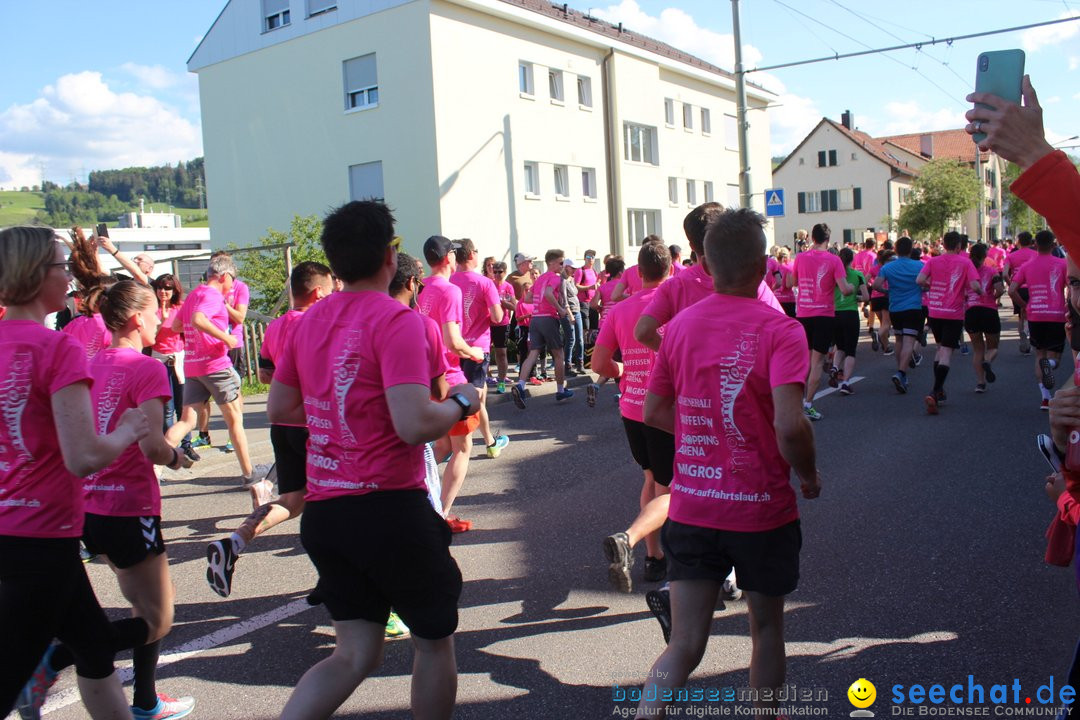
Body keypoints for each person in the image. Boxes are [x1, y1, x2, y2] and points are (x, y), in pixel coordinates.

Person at [268, 200, 479, 720]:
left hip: (327, 512)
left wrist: (336, 419)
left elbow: (280, 409)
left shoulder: (307, 321)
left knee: (354, 654)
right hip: (389, 509)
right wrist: (462, 401)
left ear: (333, 262)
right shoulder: (401, 322)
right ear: (391, 255)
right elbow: (413, 423)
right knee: (433, 643)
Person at [635, 208, 820, 718]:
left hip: (693, 508)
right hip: (761, 509)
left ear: (707, 265)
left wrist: (704, 433)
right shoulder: (783, 330)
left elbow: (654, 410)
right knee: (766, 629)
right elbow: (790, 426)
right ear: (763, 268)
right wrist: (807, 474)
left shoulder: (679, 328)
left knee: (685, 645)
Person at [0, 226, 151, 720]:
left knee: (95, 647)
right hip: (41, 536)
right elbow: (83, 457)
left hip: (23, 533)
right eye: (61, 267)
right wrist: (130, 428)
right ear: (34, 274)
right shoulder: (57, 347)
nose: (68, 278)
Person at [71, 280, 197, 720]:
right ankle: (53, 661)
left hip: (88, 506)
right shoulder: (147, 368)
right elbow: (151, 448)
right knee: (158, 617)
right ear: (135, 319)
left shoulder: (89, 362)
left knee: (141, 605)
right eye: (155, 311)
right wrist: (177, 455)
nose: (163, 318)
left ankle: (145, 701)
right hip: (129, 506)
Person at [204, 262, 335, 599]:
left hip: (281, 423)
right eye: (331, 286)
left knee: (292, 500)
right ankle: (330, 576)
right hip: (314, 421)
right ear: (319, 291)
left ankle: (235, 541)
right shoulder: (320, 323)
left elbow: (264, 376)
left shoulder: (277, 326)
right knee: (327, 502)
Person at [594, 242, 674, 593]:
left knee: (651, 478)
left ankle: (655, 557)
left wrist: (624, 369)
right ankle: (637, 543)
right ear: (671, 271)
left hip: (632, 406)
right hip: (666, 408)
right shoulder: (676, 305)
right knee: (670, 487)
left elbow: (598, 365)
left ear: (638, 274)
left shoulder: (620, 310)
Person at [164, 254, 264, 498]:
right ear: (224, 276)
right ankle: (249, 475)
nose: (232, 286)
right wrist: (225, 337)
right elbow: (199, 319)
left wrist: (197, 336)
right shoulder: (211, 295)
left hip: (193, 366)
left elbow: (177, 326)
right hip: (216, 365)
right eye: (232, 281)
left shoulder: (194, 295)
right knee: (235, 420)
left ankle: (160, 455)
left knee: (187, 420)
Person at [418, 235, 484, 532]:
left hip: (424, 374)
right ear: (448, 259)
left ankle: (419, 499)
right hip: (449, 377)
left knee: (441, 444)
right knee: (463, 448)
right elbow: (453, 341)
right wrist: (476, 352)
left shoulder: (419, 287)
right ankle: (440, 513)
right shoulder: (451, 290)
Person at [449, 238, 509, 458]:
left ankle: (480, 441)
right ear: (472, 254)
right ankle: (487, 443)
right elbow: (497, 316)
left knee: (459, 394)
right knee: (476, 399)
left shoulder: (449, 280)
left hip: (452, 346)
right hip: (476, 347)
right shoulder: (485, 283)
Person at [786, 223, 853, 421]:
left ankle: (795, 404)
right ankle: (808, 405)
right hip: (824, 315)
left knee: (805, 361)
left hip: (804, 314)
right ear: (827, 239)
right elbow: (844, 288)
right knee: (817, 362)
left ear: (812, 238)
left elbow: (792, 283)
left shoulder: (800, 257)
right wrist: (850, 286)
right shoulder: (834, 260)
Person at [917, 231, 981, 414]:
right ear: (959, 246)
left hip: (935, 311)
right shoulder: (965, 262)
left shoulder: (933, 261)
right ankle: (935, 390)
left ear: (943, 245)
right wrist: (981, 291)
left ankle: (939, 390)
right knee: (946, 352)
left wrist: (933, 285)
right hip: (953, 313)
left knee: (940, 349)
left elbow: (919, 280)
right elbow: (975, 286)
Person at [1009, 229, 1068, 410]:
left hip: (1035, 314)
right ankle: (1049, 365)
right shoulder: (1062, 264)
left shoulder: (1027, 266)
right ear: (1053, 245)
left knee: (1039, 353)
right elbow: (1071, 289)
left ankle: (1045, 397)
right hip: (1057, 314)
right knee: (1055, 358)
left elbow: (1011, 290)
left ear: (1036, 244)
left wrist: (1025, 305)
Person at [511, 249, 575, 408]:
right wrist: (559, 308)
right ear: (552, 263)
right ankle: (560, 390)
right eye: (561, 263)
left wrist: (539, 306)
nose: (562, 265)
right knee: (559, 354)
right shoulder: (554, 278)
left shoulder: (539, 279)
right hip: (548, 318)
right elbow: (548, 293)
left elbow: (527, 298)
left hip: (535, 319)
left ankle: (520, 385)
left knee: (533, 354)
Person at [151, 273, 199, 463]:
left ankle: (187, 445)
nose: (163, 291)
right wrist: (161, 320)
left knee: (184, 406)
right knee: (167, 409)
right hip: (159, 361)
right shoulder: (151, 309)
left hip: (179, 360)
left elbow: (187, 330)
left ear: (174, 290)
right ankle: (169, 448)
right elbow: (149, 338)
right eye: (160, 287)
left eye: (168, 288)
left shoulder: (180, 308)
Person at [874, 238, 924, 394]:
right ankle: (901, 373)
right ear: (910, 250)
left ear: (896, 250)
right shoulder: (920, 265)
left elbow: (876, 285)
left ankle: (900, 371)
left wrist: (887, 292)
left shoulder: (888, 267)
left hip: (895, 308)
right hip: (913, 308)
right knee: (909, 341)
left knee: (899, 340)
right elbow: (927, 283)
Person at [829, 247, 869, 395]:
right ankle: (845, 383)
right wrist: (855, 298)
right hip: (850, 313)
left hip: (835, 313)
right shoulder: (858, 275)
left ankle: (834, 368)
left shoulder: (833, 274)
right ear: (852, 260)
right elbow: (865, 297)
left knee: (840, 347)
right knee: (850, 350)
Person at [964, 243, 1004, 393]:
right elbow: (1000, 289)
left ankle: (980, 383)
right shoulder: (992, 271)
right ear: (984, 257)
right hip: (988, 311)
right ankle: (988, 361)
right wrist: (993, 297)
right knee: (993, 347)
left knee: (977, 350)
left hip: (971, 311)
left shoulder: (966, 271)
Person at [490, 261, 516, 393]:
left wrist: (502, 302)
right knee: (484, 354)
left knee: (501, 354)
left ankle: (501, 381)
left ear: (505, 272)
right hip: (487, 323)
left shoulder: (508, 287)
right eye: (494, 271)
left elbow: (514, 306)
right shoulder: (489, 285)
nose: (497, 274)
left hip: (502, 323)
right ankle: (483, 380)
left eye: (499, 272)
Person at [561, 258, 584, 375]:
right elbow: (564, 300)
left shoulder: (572, 279)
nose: (574, 270)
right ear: (566, 267)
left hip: (577, 310)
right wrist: (570, 314)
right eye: (572, 268)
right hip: (568, 312)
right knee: (571, 339)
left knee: (580, 339)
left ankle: (580, 363)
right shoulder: (563, 280)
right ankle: (568, 366)